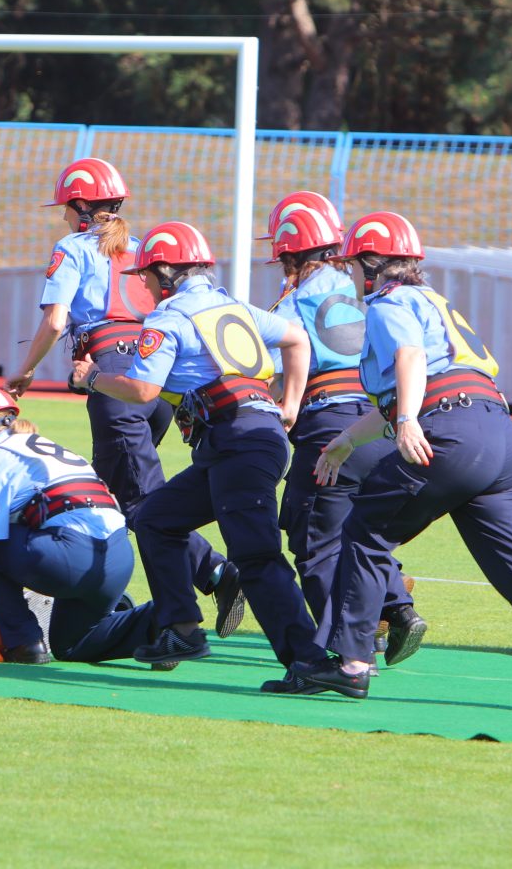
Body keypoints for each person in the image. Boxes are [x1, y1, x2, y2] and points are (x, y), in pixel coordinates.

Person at [298, 211, 512, 713]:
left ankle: (351, 665)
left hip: (450, 432)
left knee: (363, 530)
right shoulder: (432, 299)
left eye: (354, 264)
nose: (351, 275)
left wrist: (408, 421)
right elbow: (428, 384)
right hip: (496, 433)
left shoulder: (389, 302)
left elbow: (410, 361)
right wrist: (346, 441)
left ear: (372, 263)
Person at [69, 220, 332, 693]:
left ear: (166, 273)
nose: (144, 286)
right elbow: (296, 338)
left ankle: (309, 661)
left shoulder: (169, 317)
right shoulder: (232, 306)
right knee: (156, 519)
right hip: (243, 439)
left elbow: (142, 390)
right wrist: (289, 404)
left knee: (256, 557)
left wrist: (93, 378)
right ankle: (182, 629)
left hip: (237, 442)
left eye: (146, 275)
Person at [6, 157, 244, 637]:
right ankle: (150, 598)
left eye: (65, 207)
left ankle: (206, 585)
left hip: (114, 379)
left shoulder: (72, 248)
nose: (62, 217)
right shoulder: (140, 248)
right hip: (157, 378)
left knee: (142, 507)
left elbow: (55, 320)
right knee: (117, 495)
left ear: (79, 205)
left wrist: (24, 371)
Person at [265, 202, 424, 664]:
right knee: (359, 528)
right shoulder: (371, 291)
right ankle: (396, 604)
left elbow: (270, 366)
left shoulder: (295, 300)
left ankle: (348, 652)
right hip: (379, 419)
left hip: (328, 420)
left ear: (290, 253)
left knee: (313, 540)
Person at [0, 384, 158, 664]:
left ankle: (24, 643)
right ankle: (159, 623)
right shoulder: (46, 448)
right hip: (118, 558)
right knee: (72, 644)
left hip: (71, 556)